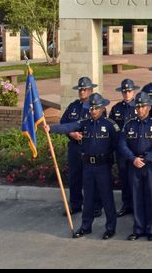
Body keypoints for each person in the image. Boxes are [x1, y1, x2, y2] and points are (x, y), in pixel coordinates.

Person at [47, 93, 119, 240]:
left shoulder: (110, 125)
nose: (93, 111)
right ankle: (86, 227)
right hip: (88, 166)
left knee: (107, 198)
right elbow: (68, 126)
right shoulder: (84, 123)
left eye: (96, 108)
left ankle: (110, 228)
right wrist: (50, 128)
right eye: (91, 108)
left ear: (102, 108)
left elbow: (117, 145)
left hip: (103, 167)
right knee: (89, 199)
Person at [118, 92, 152, 241]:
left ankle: (151, 229)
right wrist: (133, 159)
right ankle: (138, 229)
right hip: (134, 165)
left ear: (149, 107)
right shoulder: (129, 125)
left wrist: (147, 158)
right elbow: (122, 144)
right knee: (136, 197)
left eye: (143, 106)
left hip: (150, 166)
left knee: (150, 197)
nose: (140, 109)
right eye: (138, 106)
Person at [60, 76, 96, 216]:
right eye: (80, 90)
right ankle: (75, 205)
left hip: (89, 147)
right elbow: (63, 123)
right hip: (75, 146)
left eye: (85, 89)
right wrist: (71, 133)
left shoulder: (96, 106)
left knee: (91, 178)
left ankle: (94, 205)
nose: (82, 92)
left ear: (91, 90)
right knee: (74, 177)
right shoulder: (73, 106)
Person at [109, 79, 138, 218]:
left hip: (135, 150)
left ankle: (136, 205)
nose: (127, 94)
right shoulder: (116, 108)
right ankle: (126, 204)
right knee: (124, 178)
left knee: (135, 179)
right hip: (121, 150)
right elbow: (111, 127)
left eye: (129, 91)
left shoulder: (139, 107)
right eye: (124, 91)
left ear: (134, 91)